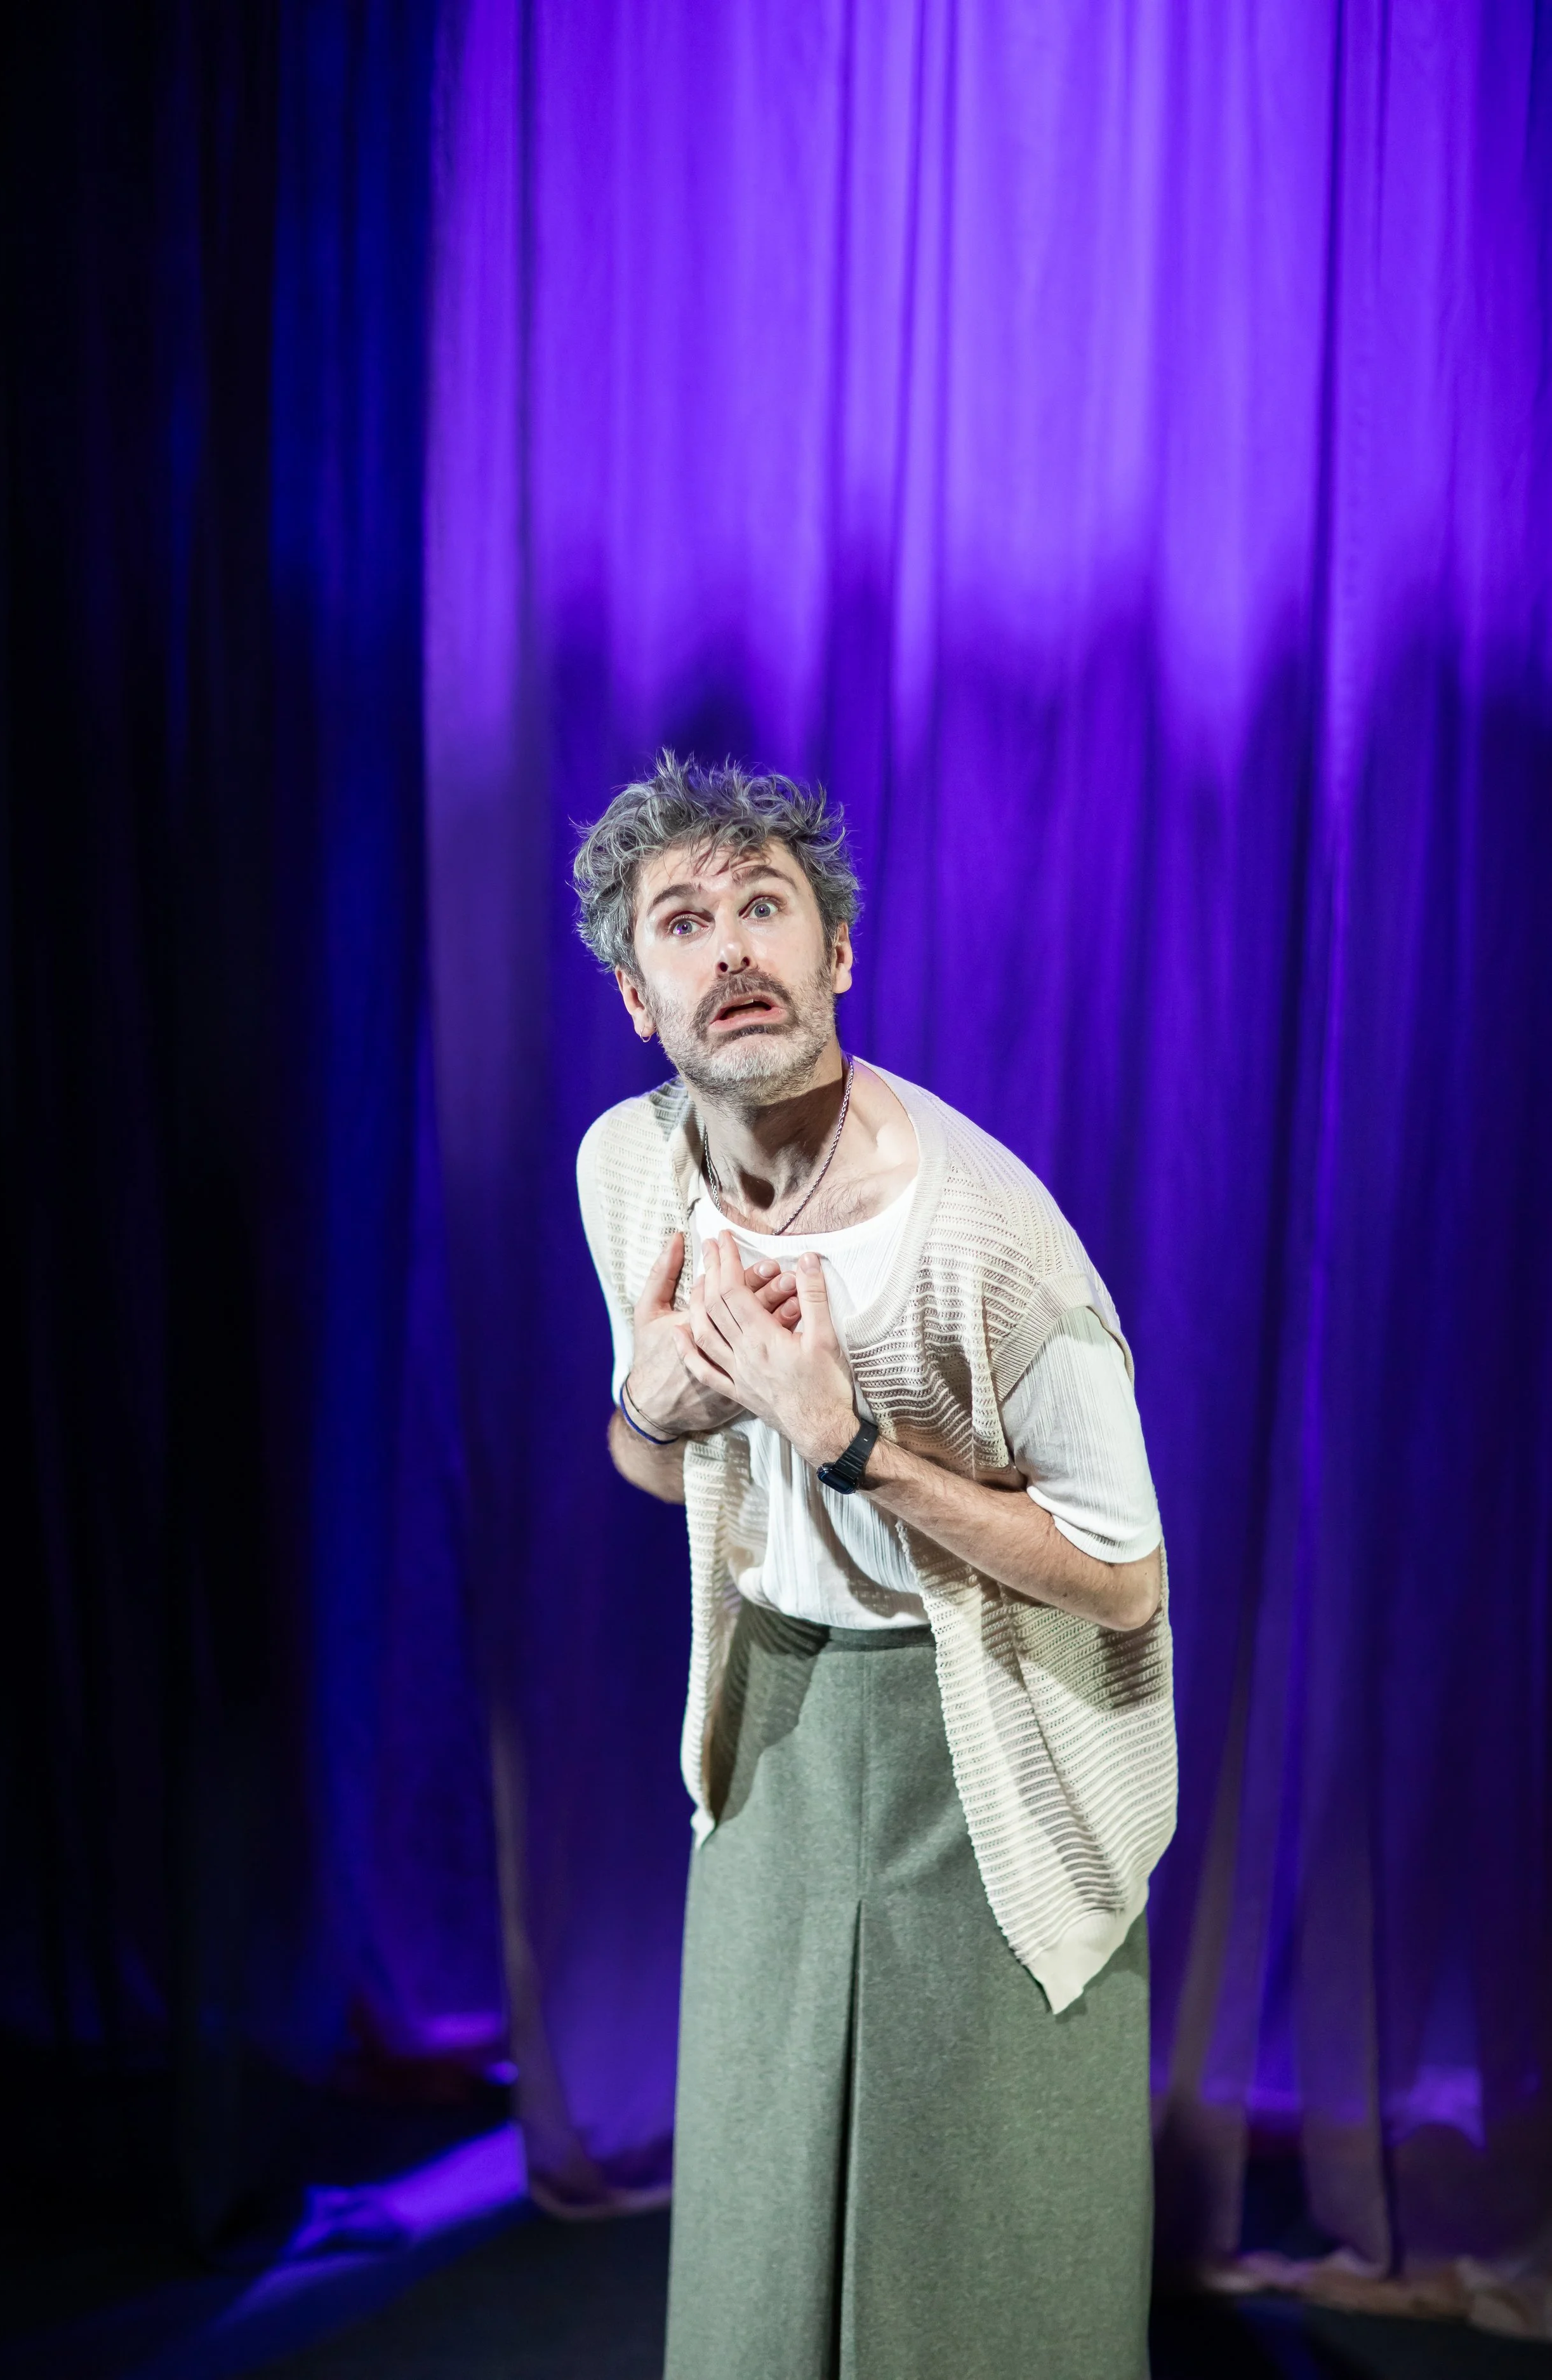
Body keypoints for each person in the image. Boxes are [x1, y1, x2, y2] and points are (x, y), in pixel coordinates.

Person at [573, 754, 1175, 2380]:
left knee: (983, 2265)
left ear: (836, 952)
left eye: (764, 907)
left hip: (992, 1739)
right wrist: (662, 1405)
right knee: (762, 2243)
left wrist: (852, 1445)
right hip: (772, 1725)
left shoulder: (988, 1236)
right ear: (636, 999)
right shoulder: (628, 1173)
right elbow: (654, 1458)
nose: (731, 950)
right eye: (682, 923)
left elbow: (1122, 1578)